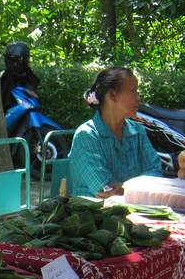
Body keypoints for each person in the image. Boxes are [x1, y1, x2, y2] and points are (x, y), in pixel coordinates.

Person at [68, 66, 162, 198]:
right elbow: (104, 190)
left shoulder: (137, 131)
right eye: (133, 91)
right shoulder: (87, 136)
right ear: (112, 95)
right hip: (95, 215)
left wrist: (123, 187)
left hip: (135, 210)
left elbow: (155, 172)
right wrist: (141, 187)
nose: (138, 98)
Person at [0, 41, 41, 113]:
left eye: (17, 60)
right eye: (12, 60)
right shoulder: (6, 76)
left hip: (23, 107)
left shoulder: (27, 72)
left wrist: (29, 89)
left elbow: (34, 81)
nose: (15, 64)